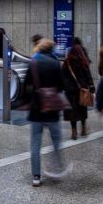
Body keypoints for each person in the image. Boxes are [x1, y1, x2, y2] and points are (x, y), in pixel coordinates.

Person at [23, 38, 69, 186]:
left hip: (36, 109)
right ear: (51, 49)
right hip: (52, 110)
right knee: (56, 140)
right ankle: (56, 170)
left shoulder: (33, 62)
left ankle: (36, 177)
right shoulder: (56, 63)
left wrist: (33, 99)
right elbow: (62, 86)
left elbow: (26, 86)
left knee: (35, 144)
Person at [63, 37, 94, 140]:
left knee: (72, 111)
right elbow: (88, 75)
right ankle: (84, 129)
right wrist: (91, 86)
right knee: (82, 109)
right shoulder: (83, 61)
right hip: (82, 90)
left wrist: (65, 86)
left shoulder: (67, 61)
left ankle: (74, 132)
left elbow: (63, 76)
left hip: (70, 90)